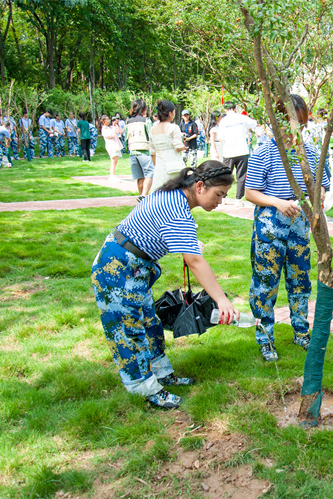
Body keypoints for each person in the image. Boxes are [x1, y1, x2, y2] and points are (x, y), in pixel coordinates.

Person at [91, 161, 238, 409]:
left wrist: (190, 243)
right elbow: (194, 261)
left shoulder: (175, 197)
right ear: (200, 186)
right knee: (129, 331)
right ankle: (144, 389)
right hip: (116, 269)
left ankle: (161, 373)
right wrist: (221, 299)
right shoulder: (177, 207)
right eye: (219, 195)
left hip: (135, 269)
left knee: (150, 323)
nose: (220, 201)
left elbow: (164, 232)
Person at [245, 94, 330, 363]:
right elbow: (250, 192)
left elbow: (322, 185)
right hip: (270, 226)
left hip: (300, 227)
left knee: (299, 280)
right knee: (265, 283)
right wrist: (278, 203)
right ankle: (265, 338)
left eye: (300, 124)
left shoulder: (310, 153)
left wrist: (319, 196)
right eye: (288, 123)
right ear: (275, 121)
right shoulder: (264, 152)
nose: (294, 130)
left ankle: (301, 331)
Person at [218, 101, 258, 200]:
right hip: (242, 151)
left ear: (225, 110)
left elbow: (220, 138)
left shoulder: (223, 121)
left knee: (226, 176)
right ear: (235, 108)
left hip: (229, 152)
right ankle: (238, 199)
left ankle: (223, 197)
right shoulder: (242, 118)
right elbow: (254, 123)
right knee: (241, 176)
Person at [149, 100, 186, 193]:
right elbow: (178, 146)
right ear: (170, 113)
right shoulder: (173, 127)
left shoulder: (152, 129)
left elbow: (152, 152)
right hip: (174, 165)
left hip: (160, 165)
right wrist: (184, 147)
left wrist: (156, 165)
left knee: (159, 192)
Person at [125, 99, 155, 199]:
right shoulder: (146, 121)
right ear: (144, 109)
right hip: (144, 150)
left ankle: (141, 195)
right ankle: (144, 195)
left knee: (139, 176)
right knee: (149, 173)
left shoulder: (128, 121)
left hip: (132, 150)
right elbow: (151, 135)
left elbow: (126, 137)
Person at [101, 115, 123, 181]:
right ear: (103, 121)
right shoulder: (104, 129)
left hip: (115, 145)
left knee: (115, 161)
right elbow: (111, 134)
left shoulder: (110, 127)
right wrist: (113, 126)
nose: (108, 121)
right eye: (106, 120)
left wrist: (117, 124)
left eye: (108, 119)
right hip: (111, 146)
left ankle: (112, 175)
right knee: (113, 161)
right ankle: (112, 175)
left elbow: (118, 131)